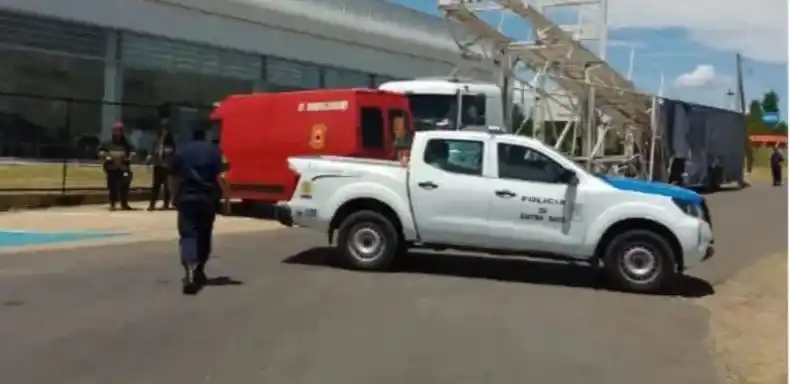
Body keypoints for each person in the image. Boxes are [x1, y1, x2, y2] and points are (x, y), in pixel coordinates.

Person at [169, 129, 231, 294]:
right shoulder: (214, 152)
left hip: (186, 197)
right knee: (204, 234)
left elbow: (173, 176)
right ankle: (199, 269)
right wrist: (226, 199)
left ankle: (189, 270)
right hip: (207, 198)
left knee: (188, 234)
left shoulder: (181, 150)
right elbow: (223, 176)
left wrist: (173, 196)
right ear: (205, 136)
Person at [98, 123, 133, 211]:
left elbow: (132, 153)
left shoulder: (126, 144)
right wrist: (105, 156)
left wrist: (128, 158)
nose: (117, 133)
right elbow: (100, 152)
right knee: (112, 186)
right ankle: (112, 203)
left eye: (119, 131)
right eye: (115, 131)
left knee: (124, 185)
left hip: (123, 168)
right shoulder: (108, 144)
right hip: (111, 168)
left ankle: (124, 203)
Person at [146, 120, 176, 211]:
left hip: (166, 166)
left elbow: (171, 152)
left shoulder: (170, 141)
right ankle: (152, 204)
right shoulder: (157, 140)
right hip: (158, 165)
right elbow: (153, 151)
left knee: (166, 186)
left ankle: (166, 203)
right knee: (156, 185)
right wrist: (150, 158)